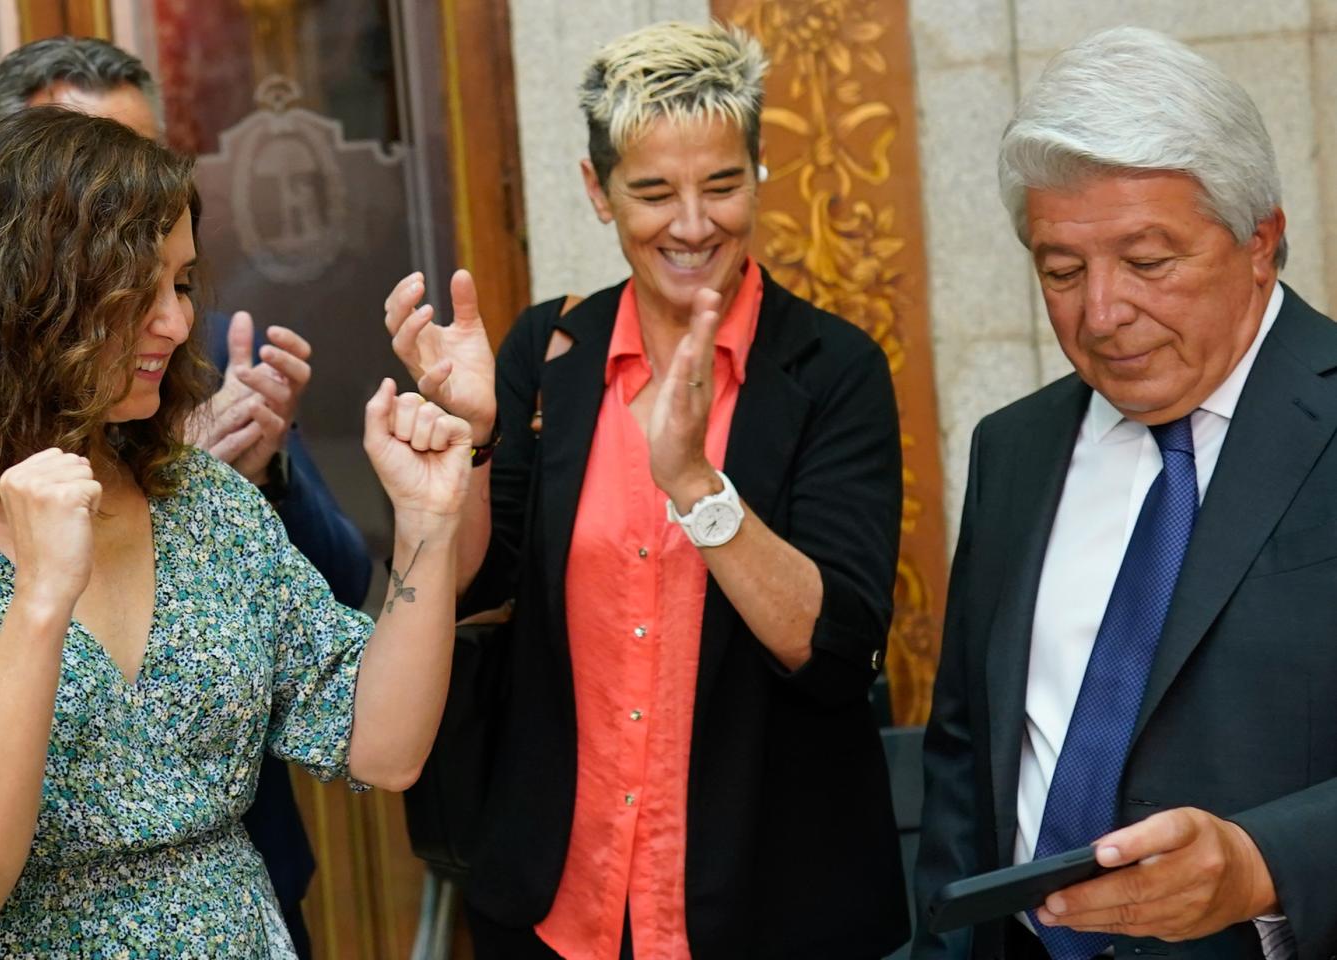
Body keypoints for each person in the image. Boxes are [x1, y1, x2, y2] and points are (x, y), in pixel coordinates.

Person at [0, 107, 472, 957]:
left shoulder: (204, 502)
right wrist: (41, 599)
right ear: (24, 291)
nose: (176, 322)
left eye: (183, 283)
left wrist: (430, 523)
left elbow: (383, 747)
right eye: (138, 289)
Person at [382, 20, 907, 958]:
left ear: (758, 173)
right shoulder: (551, 357)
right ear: (598, 192)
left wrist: (696, 485)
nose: (694, 224)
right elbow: (475, 585)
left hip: (768, 903)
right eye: (654, 192)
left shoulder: (833, 368)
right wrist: (470, 446)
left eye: (723, 185)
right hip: (560, 900)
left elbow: (835, 647)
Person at [914, 27, 1337, 960]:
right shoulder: (1014, 448)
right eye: (1061, 271)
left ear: (1260, 241)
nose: (1100, 314)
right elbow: (967, 751)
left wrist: (1265, 863)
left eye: (1148, 263)